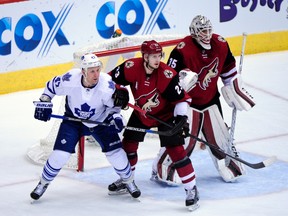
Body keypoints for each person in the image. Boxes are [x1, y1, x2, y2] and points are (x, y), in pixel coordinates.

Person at [152, 15, 256, 184]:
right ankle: (163, 166)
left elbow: (228, 72)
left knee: (221, 140)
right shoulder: (182, 49)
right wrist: (182, 80)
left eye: (209, 30)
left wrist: (235, 89)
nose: (207, 34)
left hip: (210, 100)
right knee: (184, 142)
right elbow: (168, 77)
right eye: (202, 31)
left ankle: (229, 163)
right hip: (187, 103)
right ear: (193, 32)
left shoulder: (220, 44)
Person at [30, 53, 141, 201]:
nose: (96, 74)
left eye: (97, 70)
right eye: (92, 71)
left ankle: (129, 181)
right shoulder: (70, 79)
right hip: (73, 121)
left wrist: (116, 117)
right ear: (83, 71)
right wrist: (45, 100)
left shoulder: (107, 86)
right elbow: (51, 86)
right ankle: (43, 183)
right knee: (60, 155)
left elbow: (114, 107)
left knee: (116, 154)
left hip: (100, 121)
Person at [108, 40, 199, 211]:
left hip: (166, 115)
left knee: (176, 151)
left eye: (159, 56)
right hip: (142, 113)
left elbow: (183, 99)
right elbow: (108, 80)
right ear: (145, 57)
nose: (158, 60)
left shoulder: (167, 75)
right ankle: (127, 179)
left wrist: (181, 119)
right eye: (154, 56)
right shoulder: (130, 67)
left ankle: (191, 189)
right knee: (128, 144)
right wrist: (121, 91)